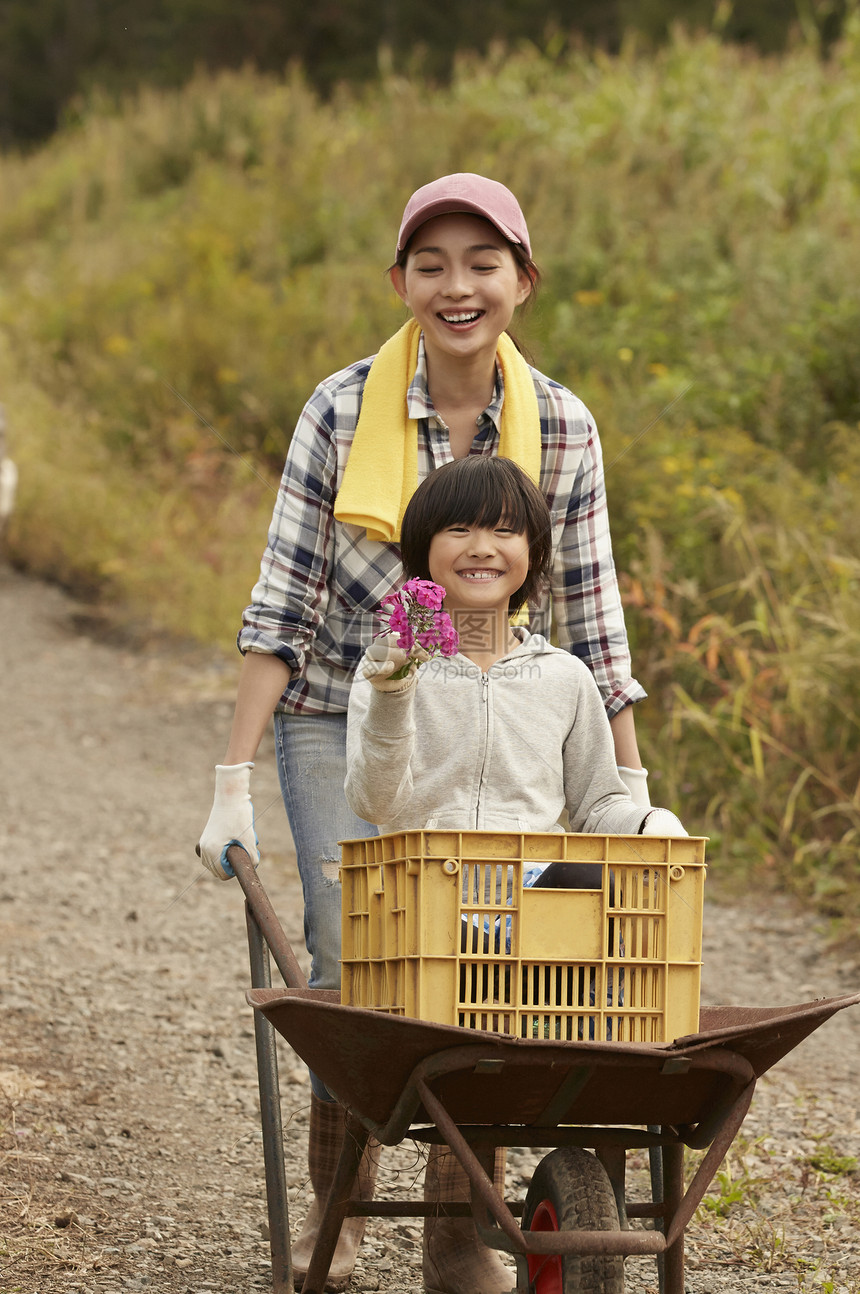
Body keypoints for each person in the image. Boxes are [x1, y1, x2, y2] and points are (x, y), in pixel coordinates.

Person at [198, 173, 653, 1294]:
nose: (457, 287)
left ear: (520, 282)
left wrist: (630, 810)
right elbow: (284, 600)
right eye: (432, 264)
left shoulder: (560, 424)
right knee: (357, 952)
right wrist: (230, 776)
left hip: (500, 698)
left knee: (491, 954)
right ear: (401, 281)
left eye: (481, 264)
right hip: (344, 706)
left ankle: (456, 1231)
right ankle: (342, 1205)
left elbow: (591, 620)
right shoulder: (340, 408)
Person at [345, 455, 685, 850]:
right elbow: (374, 805)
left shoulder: (566, 677)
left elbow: (597, 808)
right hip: (421, 891)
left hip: (532, 895)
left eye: (505, 530)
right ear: (423, 547)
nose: (482, 548)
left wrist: (649, 821)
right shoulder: (391, 667)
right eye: (458, 529)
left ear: (533, 550)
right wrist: (392, 697)